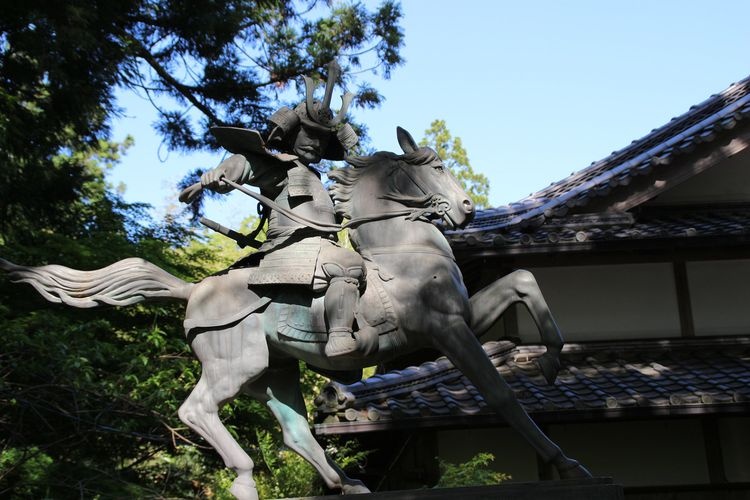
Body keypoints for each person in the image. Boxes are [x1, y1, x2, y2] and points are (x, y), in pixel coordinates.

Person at [198, 63, 365, 358]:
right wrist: (220, 173)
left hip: (320, 251)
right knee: (348, 263)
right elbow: (245, 163)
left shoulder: (318, 181)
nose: (315, 142)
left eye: (323, 138)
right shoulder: (281, 168)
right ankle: (339, 335)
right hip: (294, 249)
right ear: (292, 134)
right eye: (309, 134)